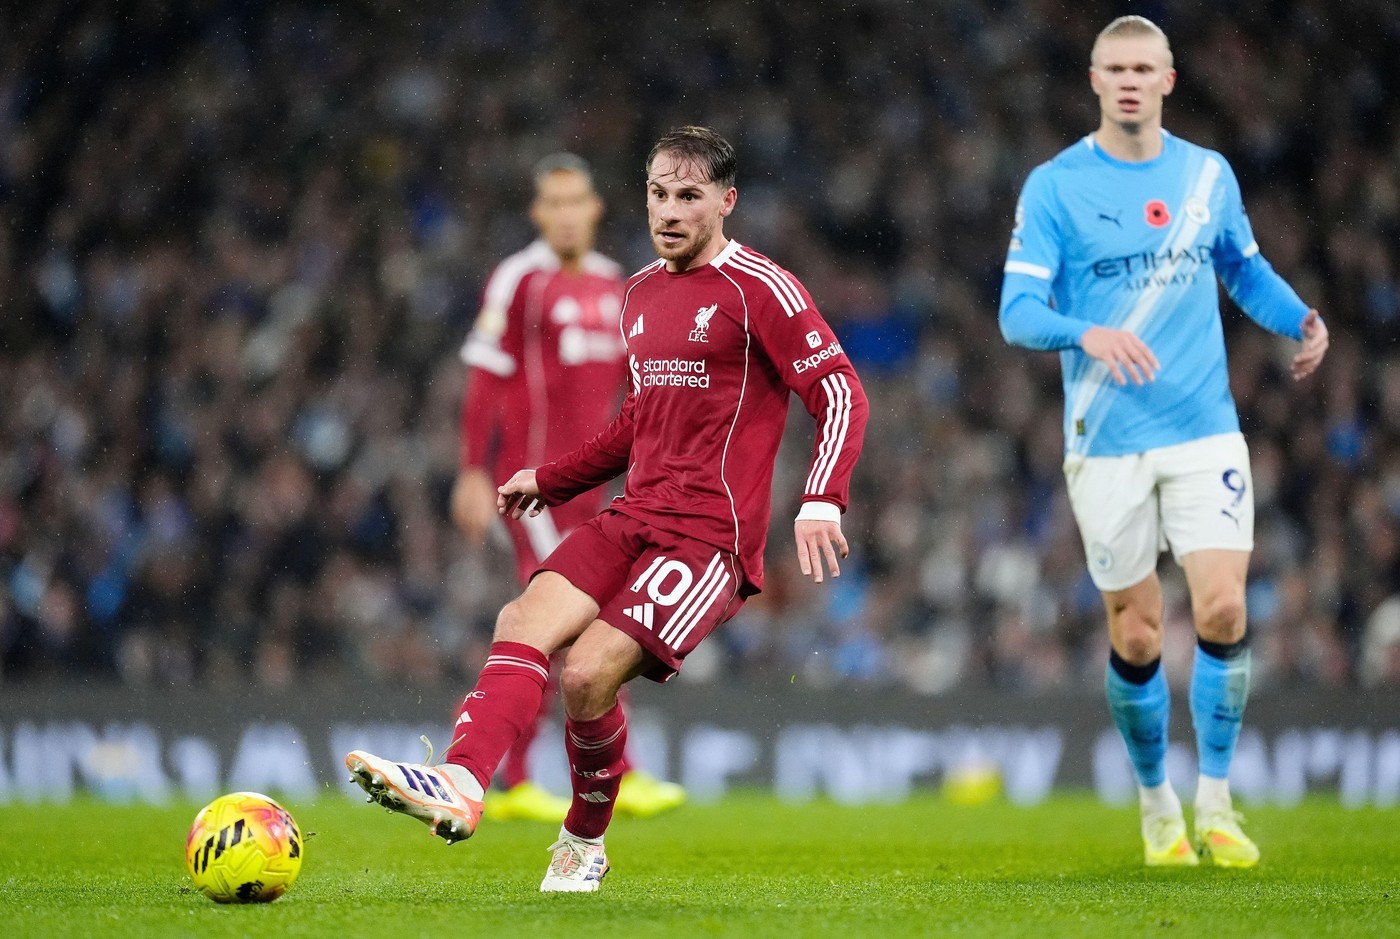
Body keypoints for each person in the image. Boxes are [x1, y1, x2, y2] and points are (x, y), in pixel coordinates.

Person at [346, 126, 869, 891]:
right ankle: (460, 781)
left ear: (726, 201)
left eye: (689, 196)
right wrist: (552, 479)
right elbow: (637, 422)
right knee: (522, 621)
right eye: (658, 192)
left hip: (706, 540)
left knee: (587, 674)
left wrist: (822, 496)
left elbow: (839, 392)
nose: (669, 210)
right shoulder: (639, 292)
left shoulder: (762, 289)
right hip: (632, 515)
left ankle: (583, 840)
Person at [999, 15, 1329, 868]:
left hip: (1203, 426)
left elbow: (1243, 266)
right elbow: (1018, 312)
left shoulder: (1206, 176)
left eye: (1147, 67)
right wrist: (1087, 333)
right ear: (1096, 80)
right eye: (1118, 68)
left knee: (1221, 606)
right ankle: (1156, 809)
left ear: (1170, 80)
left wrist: (1298, 318)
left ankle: (1217, 802)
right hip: (1106, 438)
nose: (1133, 80)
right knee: (1139, 633)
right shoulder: (1055, 186)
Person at [450, 152, 685, 823]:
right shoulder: (518, 280)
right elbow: (488, 377)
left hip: (602, 489)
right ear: (538, 214)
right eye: (551, 203)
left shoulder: (620, 284)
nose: (564, 214)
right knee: (565, 618)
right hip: (535, 487)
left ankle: (519, 775)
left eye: (574, 200)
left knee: (597, 617)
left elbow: (641, 389)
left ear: (594, 209)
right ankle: (597, 770)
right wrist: (473, 468)